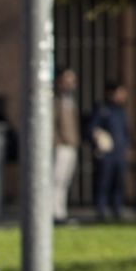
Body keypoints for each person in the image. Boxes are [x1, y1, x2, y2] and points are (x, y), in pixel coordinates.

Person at [89, 82, 130, 222]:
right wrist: (99, 137)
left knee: (118, 183)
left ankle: (117, 210)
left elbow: (125, 132)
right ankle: (101, 210)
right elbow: (92, 128)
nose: (123, 96)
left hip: (119, 153)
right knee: (103, 182)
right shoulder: (103, 110)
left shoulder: (122, 111)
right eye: (120, 92)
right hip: (107, 155)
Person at [52, 69, 80, 224]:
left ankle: (61, 211)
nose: (71, 84)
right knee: (56, 180)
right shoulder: (56, 100)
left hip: (71, 145)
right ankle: (55, 213)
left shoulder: (70, 100)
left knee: (64, 181)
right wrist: (56, 142)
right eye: (67, 80)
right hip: (60, 145)